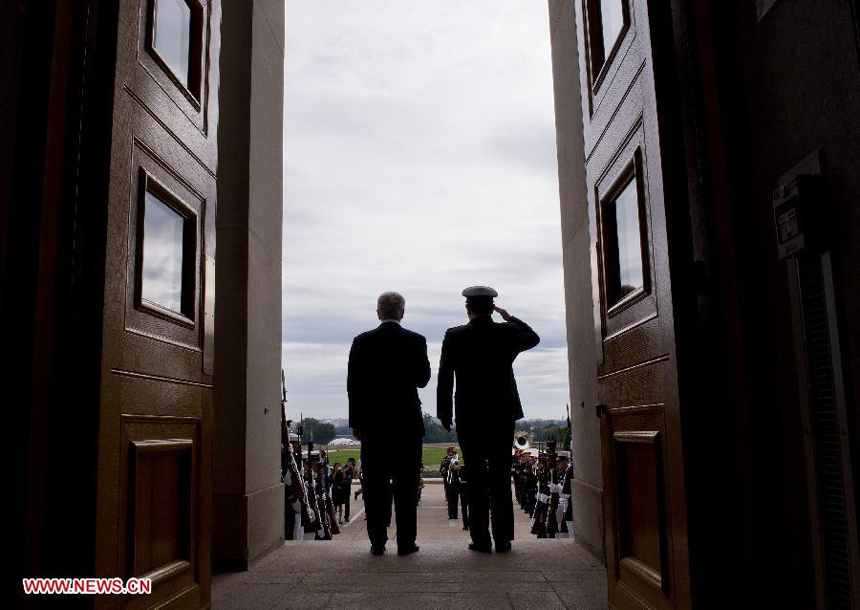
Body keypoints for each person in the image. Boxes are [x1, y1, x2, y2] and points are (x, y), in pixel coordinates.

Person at [437, 286, 539, 553]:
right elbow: (534, 338)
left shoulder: (455, 335)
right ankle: (503, 537)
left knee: (475, 478)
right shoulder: (507, 333)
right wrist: (510, 318)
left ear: (467, 308)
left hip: (470, 414)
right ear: (492, 307)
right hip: (501, 413)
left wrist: (444, 413)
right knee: (501, 478)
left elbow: (445, 375)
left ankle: (480, 538)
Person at [348, 291, 431, 556]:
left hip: (373, 426)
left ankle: (377, 541)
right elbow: (423, 379)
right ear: (402, 312)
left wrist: (357, 423)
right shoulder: (416, 340)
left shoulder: (362, 341)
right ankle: (406, 542)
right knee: (406, 487)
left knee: (374, 487)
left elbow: (354, 387)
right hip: (407, 424)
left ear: (378, 313)